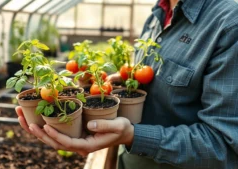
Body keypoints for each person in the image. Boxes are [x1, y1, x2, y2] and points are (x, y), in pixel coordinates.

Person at [15, 0, 238, 168]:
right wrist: (118, 81)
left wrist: (133, 136)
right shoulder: (158, 13)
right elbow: (155, 81)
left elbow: (224, 146)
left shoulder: (229, 24)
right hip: (129, 160)